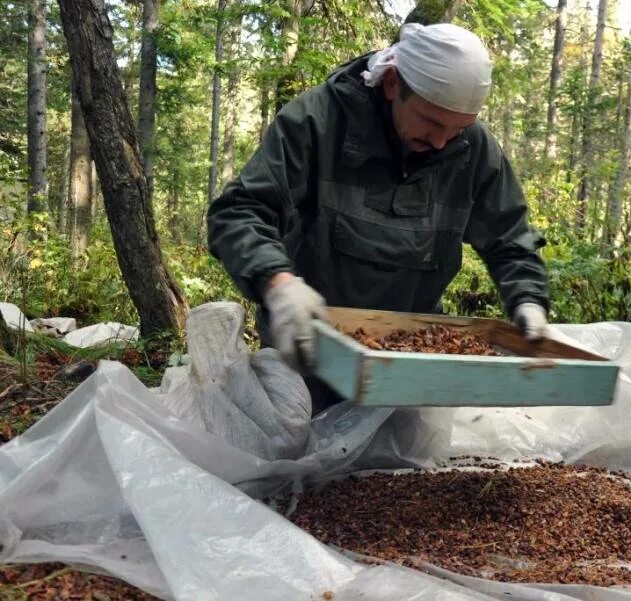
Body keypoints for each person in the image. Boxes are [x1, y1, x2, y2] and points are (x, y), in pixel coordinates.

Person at [207, 22, 550, 410]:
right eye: (432, 122)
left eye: (459, 128)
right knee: (301, 462)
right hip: (307, 352)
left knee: (404, 467)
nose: (441, 141)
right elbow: (238, 212)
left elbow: (509, 237)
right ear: (392, 83)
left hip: (412, 366)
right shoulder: (318, 122)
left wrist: (528, 299)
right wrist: (279, 285)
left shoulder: (472, 147)